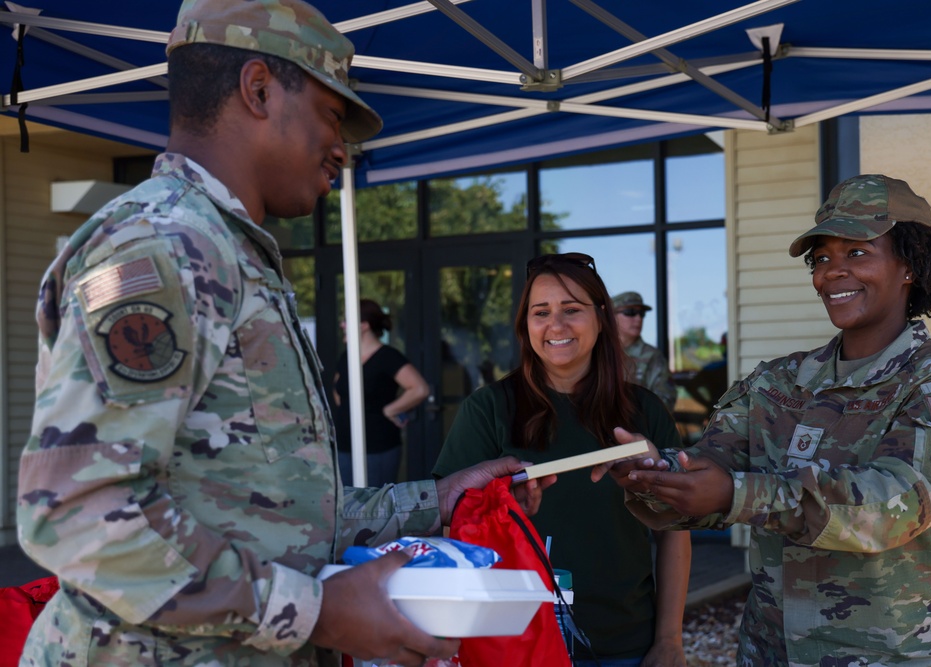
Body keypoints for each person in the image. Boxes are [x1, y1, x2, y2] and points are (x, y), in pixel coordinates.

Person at [14, 1, 554, 666]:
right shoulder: (164, 246)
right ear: (260, 90)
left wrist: (436, 500)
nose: (344, 148)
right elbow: (76, 509)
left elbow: (276, 510)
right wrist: (320, 610)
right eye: (333, 114)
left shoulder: (224, 249)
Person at [598, 174, 931, 665]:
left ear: (909, 266)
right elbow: (709, 470)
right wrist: (658, 474)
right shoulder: (777, 382)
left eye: (856, 253)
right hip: (777, 651)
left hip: (907, 653)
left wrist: (738, 493)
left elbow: (893, 507)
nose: (832, 272)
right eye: (822, 258)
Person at [435, 253, 691, 667]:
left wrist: (670, 640)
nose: (556, 325)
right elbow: (450, 523)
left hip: (625, 644)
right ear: (525, 325)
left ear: (601, 317)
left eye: (572, 309)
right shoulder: (488, 409)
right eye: (541, 312)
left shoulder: (645, 411)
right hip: (517, 642)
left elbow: (675, 532)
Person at [333, 299, 429, 486]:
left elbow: (420, 389)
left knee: (375, 506)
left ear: (364, 326)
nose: (342, 325)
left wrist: (390, 410)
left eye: (346, 320)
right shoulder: (347, 356)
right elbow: (337, 391)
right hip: (344, 445)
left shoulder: (388, 356)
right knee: (347, 505)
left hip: (378, 446)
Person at [612, 291, 677, 412]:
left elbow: (664, 403)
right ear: (611, 316)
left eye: (641, 314)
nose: (638, 318)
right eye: (630, 312)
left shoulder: (652, 356)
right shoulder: (595, 352)